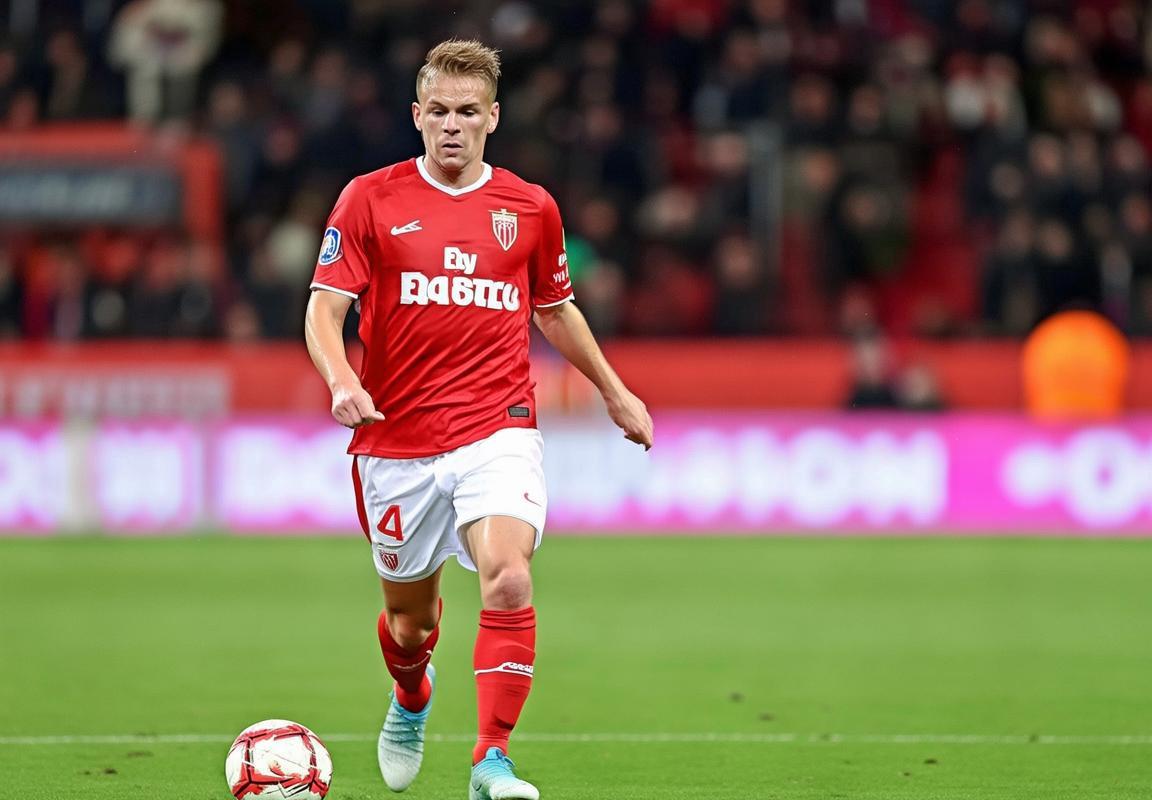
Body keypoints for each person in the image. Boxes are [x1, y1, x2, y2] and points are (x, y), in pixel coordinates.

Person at [303, 39, 653, 800]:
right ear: (416, 116)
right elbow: (325, 309)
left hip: (498, 427)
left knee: (509, 578)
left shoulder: (530, 207)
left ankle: (491, 760)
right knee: (410, 625)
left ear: (493, 117)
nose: (452, 125)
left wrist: (613, 390)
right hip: (394, 441)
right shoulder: (369, 199)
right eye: (438, 111)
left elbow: (554, 310)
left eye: (468, 112)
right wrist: (340, 380)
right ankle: (411, 694)